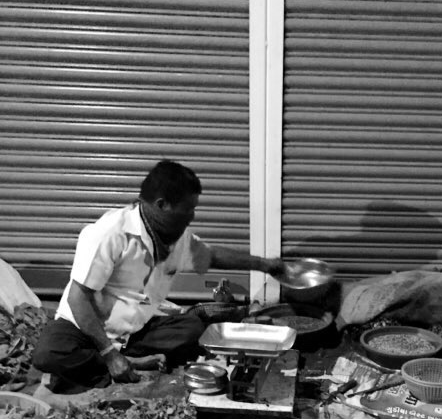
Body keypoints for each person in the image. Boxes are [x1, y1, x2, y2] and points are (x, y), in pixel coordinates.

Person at [32, 159, 285, 392]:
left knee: (192, 329)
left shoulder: (176, 239)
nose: (192, 217)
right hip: (86, 329)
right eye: (187, 210)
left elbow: (212, 255)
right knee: (49, 354)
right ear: (162, 205)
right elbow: (78, 298)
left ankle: (114, 360)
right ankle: (120, 361)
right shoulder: (110, 233)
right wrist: (109, 353)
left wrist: (266, 265)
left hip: (134, 331)